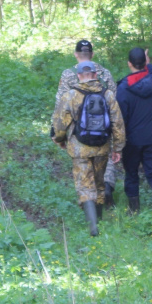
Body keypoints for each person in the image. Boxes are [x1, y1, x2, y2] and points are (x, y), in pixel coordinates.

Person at [52, 60, 125, 237]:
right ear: (95, 74)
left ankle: (93, 226)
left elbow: (60, 123)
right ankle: (99, 218)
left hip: (79, 148)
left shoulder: (70, 95)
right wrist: (118, 148)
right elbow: (118, 124)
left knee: (85, 185)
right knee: (99, 183)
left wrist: (59, 139)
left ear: (78, 76)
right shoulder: (107, 95)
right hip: (102, 147)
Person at [53, 40, 119, 207]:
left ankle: (88, 201)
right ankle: (106, 187)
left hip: (78, 133)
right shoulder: (105, 73)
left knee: (83, 164)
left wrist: (57, 133)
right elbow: (114, 101)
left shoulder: (68, 74)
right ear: (93, 54)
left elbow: (60, 105)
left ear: (76, 54)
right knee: (105, 162)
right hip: (103, 131)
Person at [116, 48, 152, 222]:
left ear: (129, 64)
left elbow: (121, 117)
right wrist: (149, 63)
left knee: (131, 172)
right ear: (145, 63)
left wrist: (118, 141)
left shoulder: (123, 88)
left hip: (132, 139)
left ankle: (134, 210)